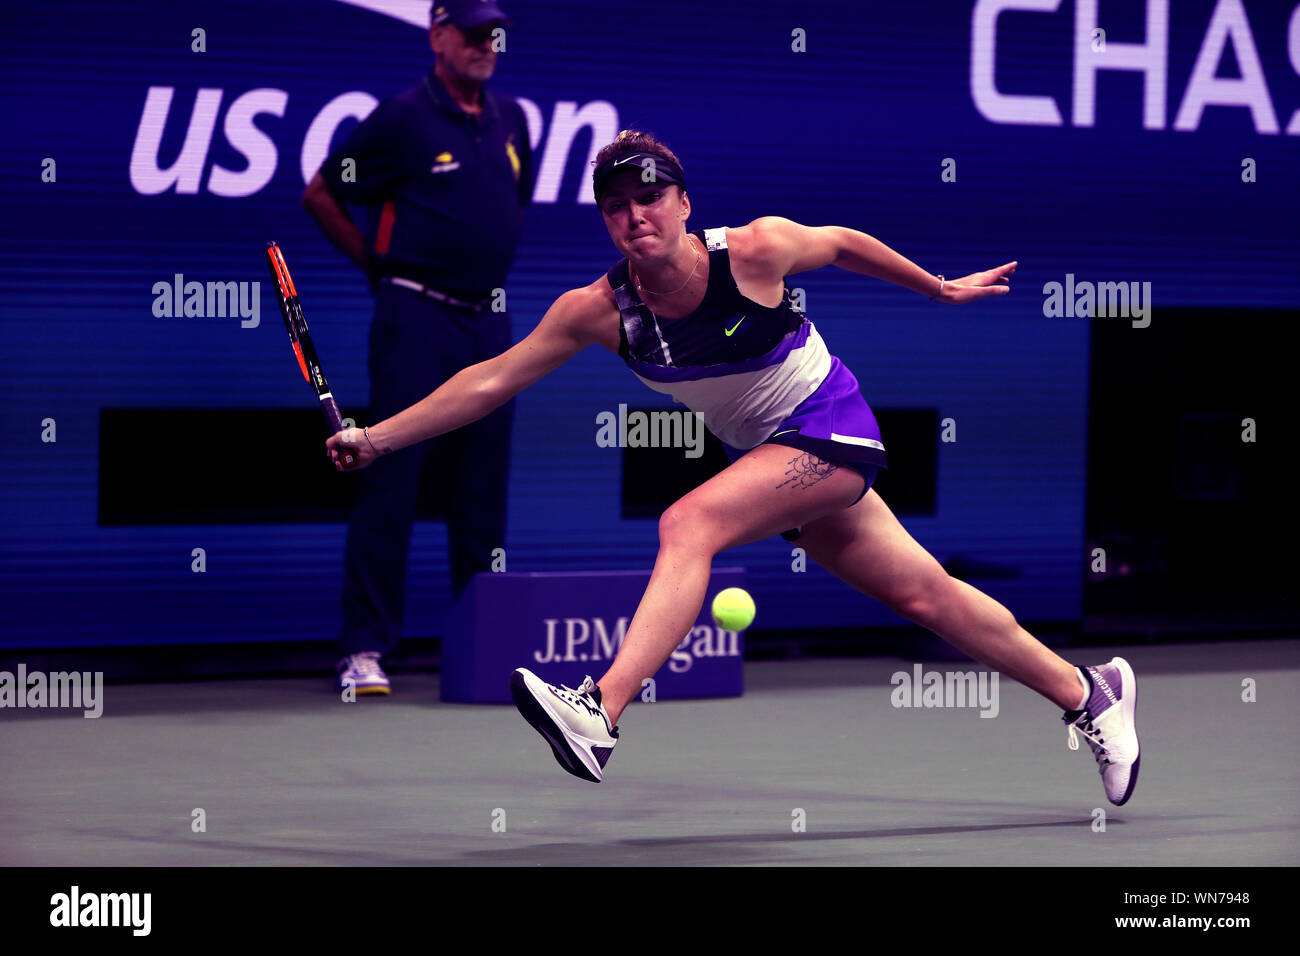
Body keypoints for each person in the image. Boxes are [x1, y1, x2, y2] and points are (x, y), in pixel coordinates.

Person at [325, 130, 1141, 806]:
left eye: (649, 199)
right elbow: (487, 381)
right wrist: (379, 437)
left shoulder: (754, 251)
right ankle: (1089, 694)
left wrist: (938, 289)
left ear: (683, 203)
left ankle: (599, 712)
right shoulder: (599, 312)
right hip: (768, 455)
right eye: (616, 207)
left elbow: (843, 242)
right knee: (926, 594)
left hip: (827, 423)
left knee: (689, 521)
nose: (635, 216)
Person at [303, 0, 533, 696]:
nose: (486, 45)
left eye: (495, 34)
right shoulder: (402, 118)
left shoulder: (515, 120)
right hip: (415, 322)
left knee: (482, 491)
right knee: (389, 477)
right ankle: (365, 651)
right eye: (471, 33)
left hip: (488, 326)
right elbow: (322, 194)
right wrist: (380, 270)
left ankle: (483, 646)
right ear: (437, 36)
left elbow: (505, 209)